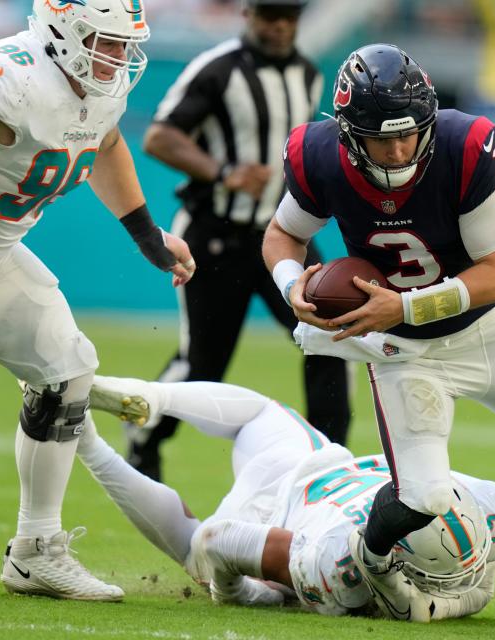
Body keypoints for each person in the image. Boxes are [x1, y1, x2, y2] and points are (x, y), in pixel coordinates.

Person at [261, 43, 495, 617]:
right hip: (408, 356)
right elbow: (281, 236)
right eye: (382, 138)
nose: (399, 148)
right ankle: (371, 560)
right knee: (424, 497)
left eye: (408, 134)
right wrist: (291, 288)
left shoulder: (464, 148)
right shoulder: (321, 156)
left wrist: (404, 306)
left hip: (490, 333)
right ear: (349, 134)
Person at [0, 0, 195, 601]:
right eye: (105, 41)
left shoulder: (100, 86)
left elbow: (105, 143)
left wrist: (147, 236)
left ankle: (35, 551)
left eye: (125, 44)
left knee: (67, 370)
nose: (118, 57)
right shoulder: (11, 74)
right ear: (63, 31)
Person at [79, 374, 495, 620]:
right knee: (199, 552)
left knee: (260, 412)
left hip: (317, 464)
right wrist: (241, 595)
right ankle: (83, 440)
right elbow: (218, 539)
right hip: (272, 519)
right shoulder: (338, 568)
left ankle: (148, 395)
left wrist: (448, 601)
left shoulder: (494, 507)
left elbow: (477, 572)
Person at [131, 0, 350, 482]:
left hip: (281, 236)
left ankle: (331, 461)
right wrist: (223, 172)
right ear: (248, 14)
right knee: (203, 363)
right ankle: (144, 435)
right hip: (213, 235)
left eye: (289, 18)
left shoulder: (310, 75)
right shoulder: (218, 69)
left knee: (333, 336)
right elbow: (159, 137)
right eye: (270, 16)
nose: (279, 27)